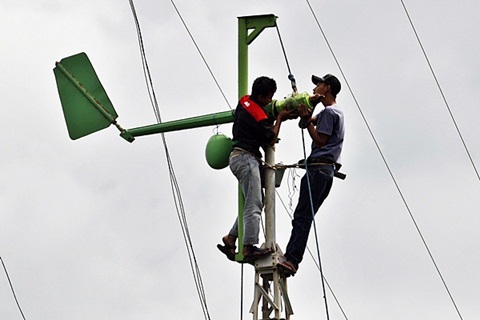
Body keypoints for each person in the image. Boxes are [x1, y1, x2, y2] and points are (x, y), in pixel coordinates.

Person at [218, 76, 296, 262]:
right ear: (261, 96)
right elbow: (270, 138)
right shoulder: (259, 115)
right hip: (246, 158)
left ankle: (231, 238)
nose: (270, 100)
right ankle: (249, 247)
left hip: (239, 157)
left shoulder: (244, 101)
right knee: (255, 205)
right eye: (269, 97)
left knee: (251, 203)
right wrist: (279, 119)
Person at [278, 73, 345, 275]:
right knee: (304, 216)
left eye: (319, 85)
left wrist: (307, 120)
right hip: (326, 172)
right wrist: (308, 111)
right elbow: (305, 122)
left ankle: (292, 260)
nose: (315, 88)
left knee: (302, 216)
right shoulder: (336, 112)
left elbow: (320, 140)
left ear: (328, 88)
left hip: (318, 169)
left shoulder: (329, 113)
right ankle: (292, 258)